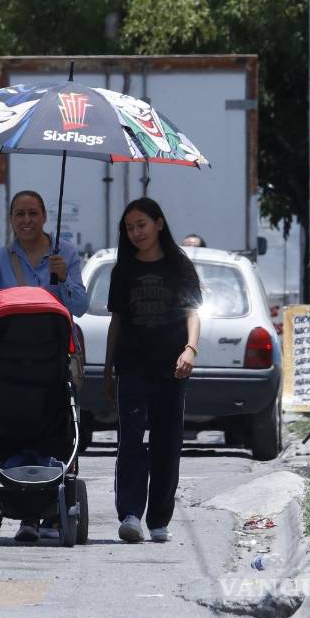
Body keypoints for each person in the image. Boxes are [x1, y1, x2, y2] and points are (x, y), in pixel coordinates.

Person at [0, 189, 90, 543]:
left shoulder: (65, 255)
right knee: (6, 415)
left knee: (56, 417)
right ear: (12, 219)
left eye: (33, 213)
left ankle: (49, 510)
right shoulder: (0, 259)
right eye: (19, 214)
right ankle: (24, 513)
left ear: (45, 216)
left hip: (51, 364)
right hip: (8, 367)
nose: (26, 220)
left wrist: (63, 279)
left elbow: (79, 307)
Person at [102, 198, 201, 544]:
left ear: (159, 223)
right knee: (130, 440)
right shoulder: (122, 270)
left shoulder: (179, 266)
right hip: (131, 367)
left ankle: (159, 518)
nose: (135, 233)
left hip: (171, 369)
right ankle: (130, 514)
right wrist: (107, 369)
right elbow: (117, 321)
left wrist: (190, 349)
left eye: (141, 224)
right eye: (129, 228)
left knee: (167, 442)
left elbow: (193, 313)